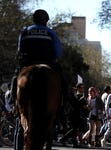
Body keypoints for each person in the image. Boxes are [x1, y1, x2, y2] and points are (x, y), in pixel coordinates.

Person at [13, 9, 62, 150]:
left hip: (28, 63)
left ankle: (13, 101)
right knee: (63, 80)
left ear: (33, 20)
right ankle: (64, 104)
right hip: (48, 63)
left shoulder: (25, 31)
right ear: (46, 21)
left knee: (15, 79)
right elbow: (58, 52)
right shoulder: (51, 32)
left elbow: (20, 49)